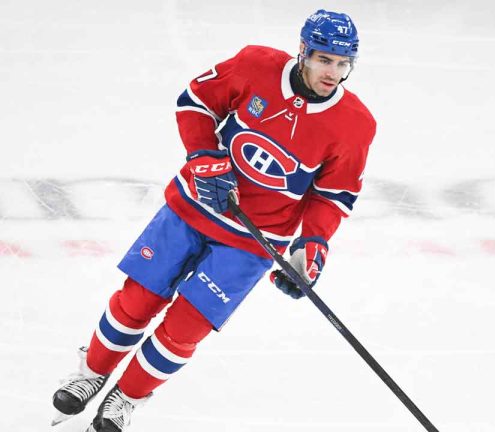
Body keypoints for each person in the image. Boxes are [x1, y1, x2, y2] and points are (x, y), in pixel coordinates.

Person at [51, 9, 376, 432]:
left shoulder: (355, 125)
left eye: (342, 63)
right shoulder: (254, 65)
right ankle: (92, 373)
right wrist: (204, 156)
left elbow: (332, 197)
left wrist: (313, 242)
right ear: (302, 51)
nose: (332, 72)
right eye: (323, 59)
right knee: (137, 300)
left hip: (254, 242)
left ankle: (127, 396)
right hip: (192, 208)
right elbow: (195, 102)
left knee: (185, 330)